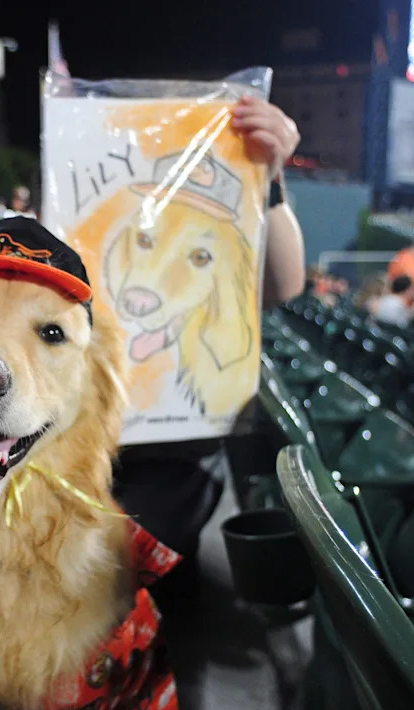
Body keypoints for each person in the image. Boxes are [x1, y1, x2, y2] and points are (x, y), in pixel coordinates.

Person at [112, 96, 305, 593]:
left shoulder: (226, 270)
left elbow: (284, 284)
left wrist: (270, 179)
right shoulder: (99, 233)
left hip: (170, 455)